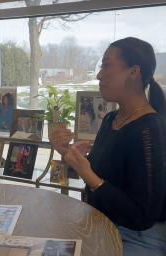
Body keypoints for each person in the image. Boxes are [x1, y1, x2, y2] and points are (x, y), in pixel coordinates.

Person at [50, 37, 166, 256]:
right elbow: (100, 178)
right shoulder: (111, 118)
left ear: (133, 72)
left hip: (136, 237)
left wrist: (87, 173)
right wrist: (69, 154)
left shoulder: (152, 129)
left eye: (106, 65)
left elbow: (142, 216)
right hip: (101, 223)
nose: (99, 75)